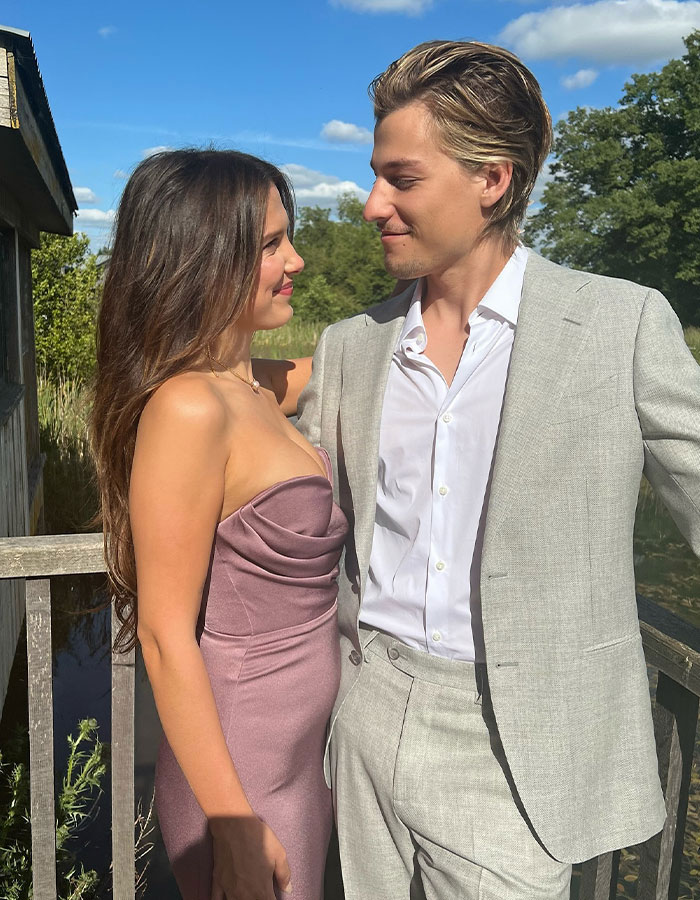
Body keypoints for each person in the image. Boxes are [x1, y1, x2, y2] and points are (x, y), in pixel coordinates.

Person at [293, 40, 700, 899]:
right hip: (365, 711)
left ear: (493, 179)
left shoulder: (623, 326)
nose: (372, 205)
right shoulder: (349, 347)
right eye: (376, 175)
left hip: (518, 743)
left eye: (401, 179)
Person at [90, 149, 348, 900]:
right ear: (206, 257)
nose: (295, 258)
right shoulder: (191, 407)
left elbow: (363, 356)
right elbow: (166, 635)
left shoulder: (258, 386)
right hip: (244, 768)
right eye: (270, 244)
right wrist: (231, 824)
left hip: (297, 755)